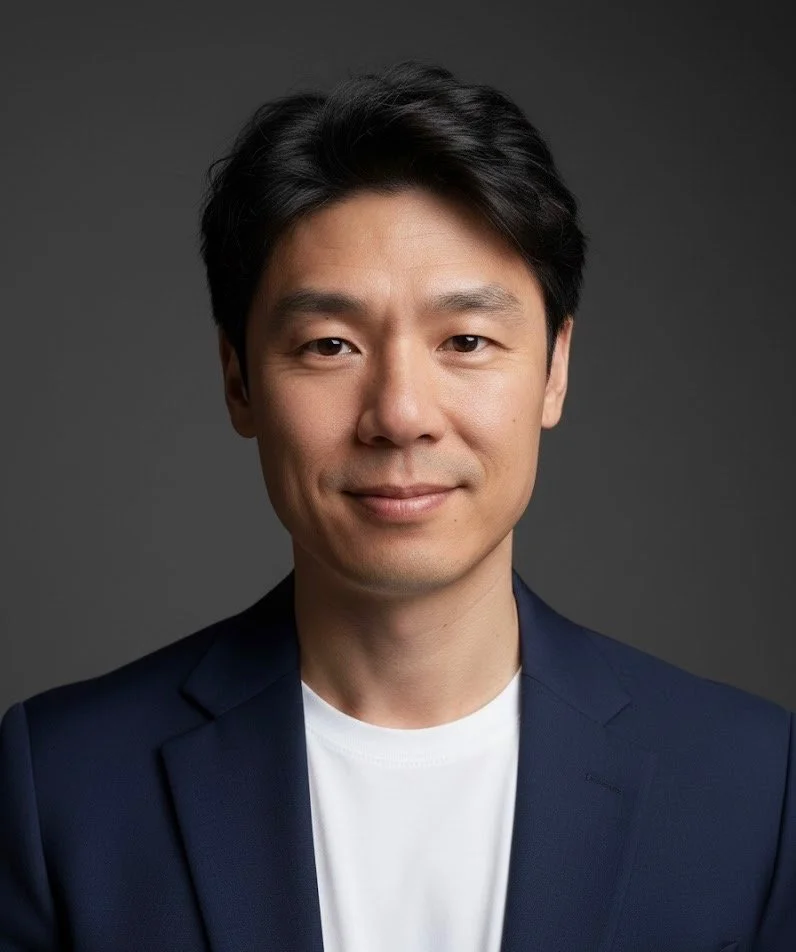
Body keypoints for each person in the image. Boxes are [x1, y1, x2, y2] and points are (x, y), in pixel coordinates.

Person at [0, 59, 793, 952]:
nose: (401, 415)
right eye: (331, 344)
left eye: (466, 339)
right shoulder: (59, 786)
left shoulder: (753, 789)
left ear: (555, 369)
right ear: (239, 381)